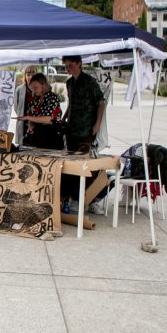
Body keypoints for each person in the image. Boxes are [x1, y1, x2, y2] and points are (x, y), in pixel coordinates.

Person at [61, 55, 106, 214]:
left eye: (71, 65)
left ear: (79, 64)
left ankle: (90, 199)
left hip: (86, 129)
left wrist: (97, 124)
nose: (68, 68)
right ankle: (74, 198)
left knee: (86, 166)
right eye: (66, 66)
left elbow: (100, 103)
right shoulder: (69, 83)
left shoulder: (89, 82)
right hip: (71, 129)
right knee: (72, 166)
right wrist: (65, 116)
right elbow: (71, 102)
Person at [18, 73, 64, 150]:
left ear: (43, 85)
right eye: (32, 88)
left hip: (52, 137)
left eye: (35, 88)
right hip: (37, 137)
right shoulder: (34, 99)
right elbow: (32, 115)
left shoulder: (52, 97)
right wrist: (30, 124)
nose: (33, 90)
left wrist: (28, 117)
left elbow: (47, 119)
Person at [13, 66, 38, 145]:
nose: (30, 77)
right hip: (23, 123)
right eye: (28, 74)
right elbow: (16, 107)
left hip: (37, 122)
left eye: (33, 75)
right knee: (22, 145)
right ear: (25, 76)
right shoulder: (19, 89)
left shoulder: (40, 89)